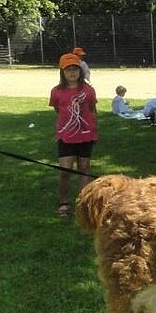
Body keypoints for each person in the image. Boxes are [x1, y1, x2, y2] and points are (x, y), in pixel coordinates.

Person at [49, 53, 98, 217]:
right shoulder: (56, 91)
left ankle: (84, 204)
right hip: (66, 136)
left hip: (85, 135)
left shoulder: (88, 90)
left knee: (84, 168)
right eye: (68, 70)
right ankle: (64, 202)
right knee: (65, 170)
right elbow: (58, 109)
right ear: (62, 72)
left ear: (80, 71)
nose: (72, 73)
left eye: (75, 69)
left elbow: (91, 109)